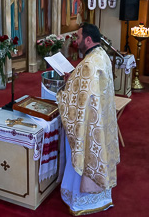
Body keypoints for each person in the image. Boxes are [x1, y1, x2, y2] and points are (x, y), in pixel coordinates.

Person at [56, 23, 119, 215]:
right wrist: (73, 80)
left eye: (77, 37)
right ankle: (100, 196)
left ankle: (82, 201)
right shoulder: (102, 56)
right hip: (100, 119)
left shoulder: (89, 64)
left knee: (83, 156)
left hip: (89, 124)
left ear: (88, 40)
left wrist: (64, 91)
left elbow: (79, 100)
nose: (76, 41)